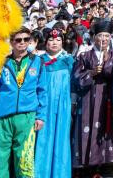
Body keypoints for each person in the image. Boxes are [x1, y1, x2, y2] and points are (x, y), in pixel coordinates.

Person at [0, 27, 48, 178]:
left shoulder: (37, 62)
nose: (23, 43)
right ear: (11, 42)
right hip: (2, 118)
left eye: (26, 39)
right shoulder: (1, 64)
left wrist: (40, 116)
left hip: (26, 117)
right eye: (18, 40)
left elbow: (42, 91)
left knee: (24, 161)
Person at [72, 20, 113, 177]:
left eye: (107, 36)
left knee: (105, 129)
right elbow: (76, 77)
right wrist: (91, 73)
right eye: (100, 35)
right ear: (94, 37)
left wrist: (106, 66)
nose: (104, 39)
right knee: (87, 126)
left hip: (107, 97)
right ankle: (85, 165)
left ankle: (101, 166)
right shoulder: (85, 55)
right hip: (88, 98)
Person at [35, 28, 73, 178]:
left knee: (61, 140)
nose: (54, 43)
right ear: (46, 43)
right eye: (51, 40)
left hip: (63, 106)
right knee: (42, 139)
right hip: (42, 106)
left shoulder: (69, 60)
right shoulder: (38, 61)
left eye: (58, 40)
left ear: (62, 42)